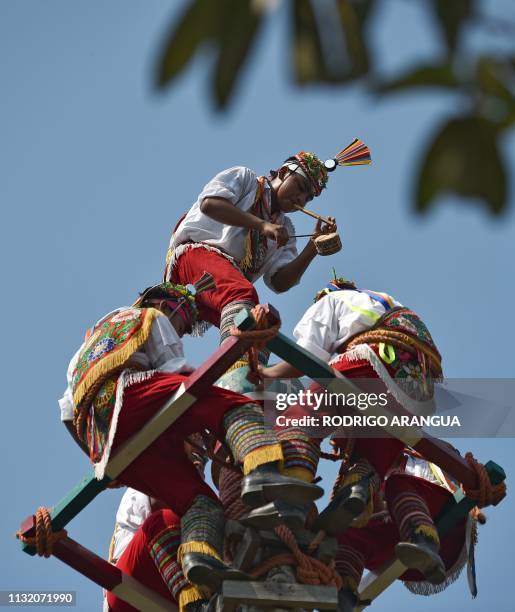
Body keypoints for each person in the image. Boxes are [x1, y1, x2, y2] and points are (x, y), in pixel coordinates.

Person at [58, 276, 322, 596]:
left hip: (107, 442)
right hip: (133, 397)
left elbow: (68, 415)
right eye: (182, 322)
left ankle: (201, 562)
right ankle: (262, 473)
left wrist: (101, 457)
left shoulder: (82, 351)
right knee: (229, 403)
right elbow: (181, 377)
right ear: (162, 304)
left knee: (199, 504)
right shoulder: (150, 318)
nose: (181, 329)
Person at [163, 142, 371, 389]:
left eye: (308, 197)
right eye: (300, 187)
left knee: (261, 320)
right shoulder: (246, 180)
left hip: (221, 287)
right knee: (243, 295)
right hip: (196, 258)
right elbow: (210, 203)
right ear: (284, 173)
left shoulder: (286, 229)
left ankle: (249, 381)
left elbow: (279, 282)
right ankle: (236, 375)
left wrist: (312, 247)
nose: (301, 199)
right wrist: (261, 226)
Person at [260, 274, 443, 536]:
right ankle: (356, 488)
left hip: (374, 360)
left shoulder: (330, 300)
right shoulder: (386, 302)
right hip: (420, 392)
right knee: (369, 456)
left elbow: (306, 357)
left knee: (301, 418)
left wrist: (267, 373)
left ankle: (292, 496)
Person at [335, 448, 480, 611]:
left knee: (397, 483)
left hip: (446, 528)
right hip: (405, 555)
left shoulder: (423, 453)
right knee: (346, 530)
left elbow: (464, 475)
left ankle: (425, 542)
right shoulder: (375, 475)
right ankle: (343, 595)